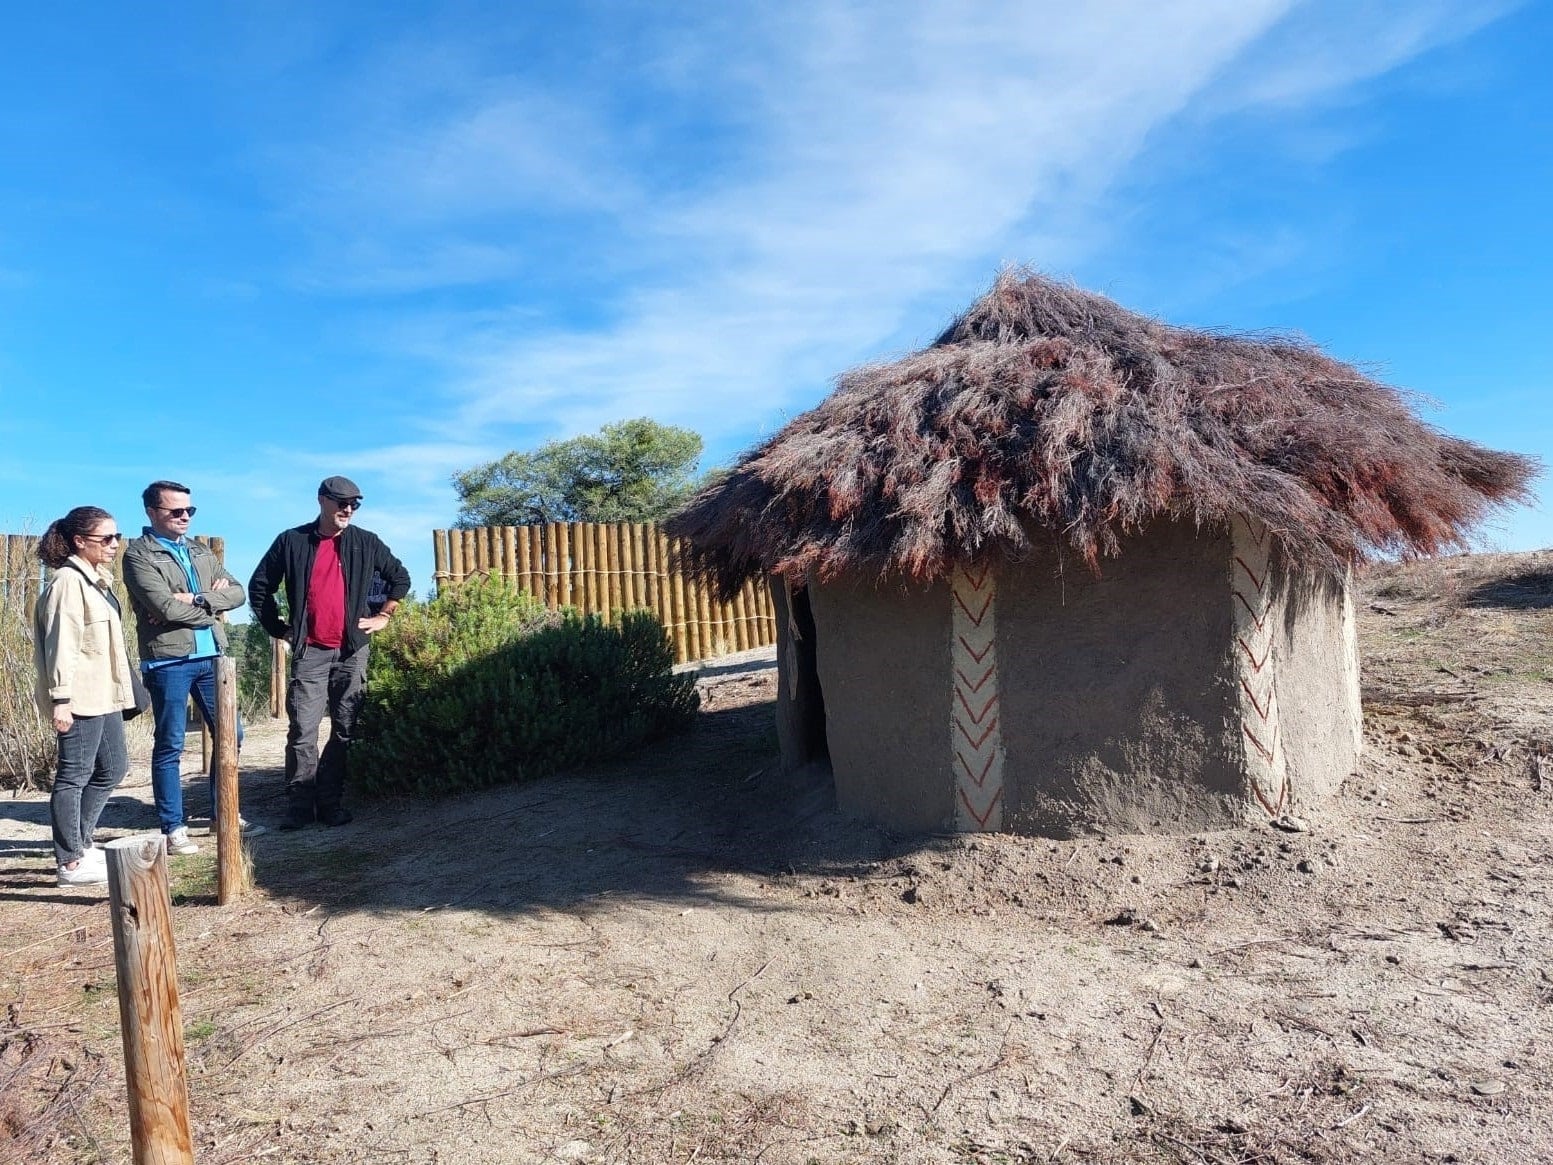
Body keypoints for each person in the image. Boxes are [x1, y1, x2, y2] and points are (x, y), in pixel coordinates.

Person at [247, 476, 410, 829]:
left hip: (352, 650)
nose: (347, 509)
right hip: (312, 651)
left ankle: (331, 802)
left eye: (354, 504)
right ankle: (299, 806)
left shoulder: (366, 542)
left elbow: (400, 578)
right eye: (341, 502)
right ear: (322, 500)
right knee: (303, 730)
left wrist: (384, 616)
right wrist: (279, 628)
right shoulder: (292, 541)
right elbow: (259, 588)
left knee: (344, 729)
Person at [122, 481, 255, 854]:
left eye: (189, 511)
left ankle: (223, 813)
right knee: (171, 744)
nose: (184, 517)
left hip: (213, 656)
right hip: (168, 660)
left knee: (233, 734)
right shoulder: (138, 556)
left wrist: (196, 598)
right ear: (152, 512)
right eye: (175, 511)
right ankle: (173, 827)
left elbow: (238, 593)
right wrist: (213, 605)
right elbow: (163, 608)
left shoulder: (199, 550)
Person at [33, 507, 136, 887]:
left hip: (104, 694)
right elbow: (62, 645)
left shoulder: (96, 581)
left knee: (114, 767)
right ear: (79, 541)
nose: (114, 545)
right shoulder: (67, 583)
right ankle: (70, 862)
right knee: (73, 775)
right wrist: (61, 698)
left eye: (116, 537)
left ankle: (82, 842)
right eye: (105, 539)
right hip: (78, 697)